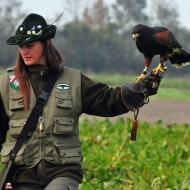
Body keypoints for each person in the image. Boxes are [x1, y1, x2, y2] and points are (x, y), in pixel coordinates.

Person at [0, 13, 163, 190]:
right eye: (21, 46)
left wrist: (137, 89)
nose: (24, 51)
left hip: (62, 171)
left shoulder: (73, 80)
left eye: (29, 45)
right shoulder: (6, 84)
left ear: (46, 43)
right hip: (20, 175)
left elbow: (107, 99)